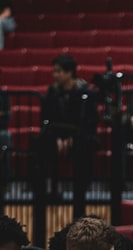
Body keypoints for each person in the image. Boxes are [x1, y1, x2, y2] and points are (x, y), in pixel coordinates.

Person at [41, 55, 99, 220]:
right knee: (40, 143)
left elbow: (89, 122)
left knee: (85, 147)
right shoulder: (52, 92)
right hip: (56, 135)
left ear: (69, 73)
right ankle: (48, 191)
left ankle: (79, 196)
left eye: (58, 72)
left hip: (81, 137)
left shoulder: (85, 93)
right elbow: (47, 119)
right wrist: (58, 138)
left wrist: (72, 139)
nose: (55, 75)